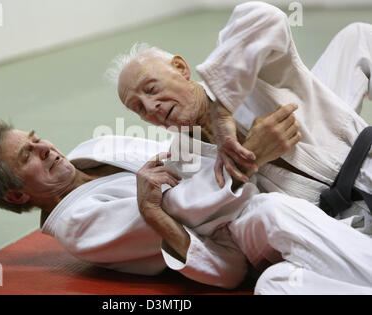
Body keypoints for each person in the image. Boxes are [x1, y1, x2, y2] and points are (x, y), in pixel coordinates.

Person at [0, 120, 372, 294]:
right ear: (19, 195)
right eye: (28, 157)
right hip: (238, 222)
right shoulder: (78, 226)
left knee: (353, 39)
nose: (45, 148)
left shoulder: (87, 152)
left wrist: (219, 129)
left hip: (245, 177)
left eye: (36, 139)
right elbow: (182, 211)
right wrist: (250, 157)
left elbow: (178, 159)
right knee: (271, 218)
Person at [112, 2, 372, 234]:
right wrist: (250, 160)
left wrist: (221, 109)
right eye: (139, 108)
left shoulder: (252, 74)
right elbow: (204, 219)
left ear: (181, 68)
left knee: (359, 36)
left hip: (361, 157)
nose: (151, 106)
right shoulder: (179, 164)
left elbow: (265, 16)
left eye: (151, 89)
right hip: (341, 229)